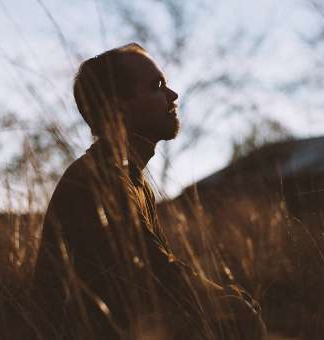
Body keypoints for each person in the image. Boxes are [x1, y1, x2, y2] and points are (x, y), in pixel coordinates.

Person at [32, 43, 266, 339]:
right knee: (234, 317)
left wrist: (219, 294)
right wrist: (220, 298)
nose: (173, 96)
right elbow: (157, 274)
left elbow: (159, 274)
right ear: (118, 108)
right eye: (157, 86)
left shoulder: (133, 180)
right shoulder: (99, 180)